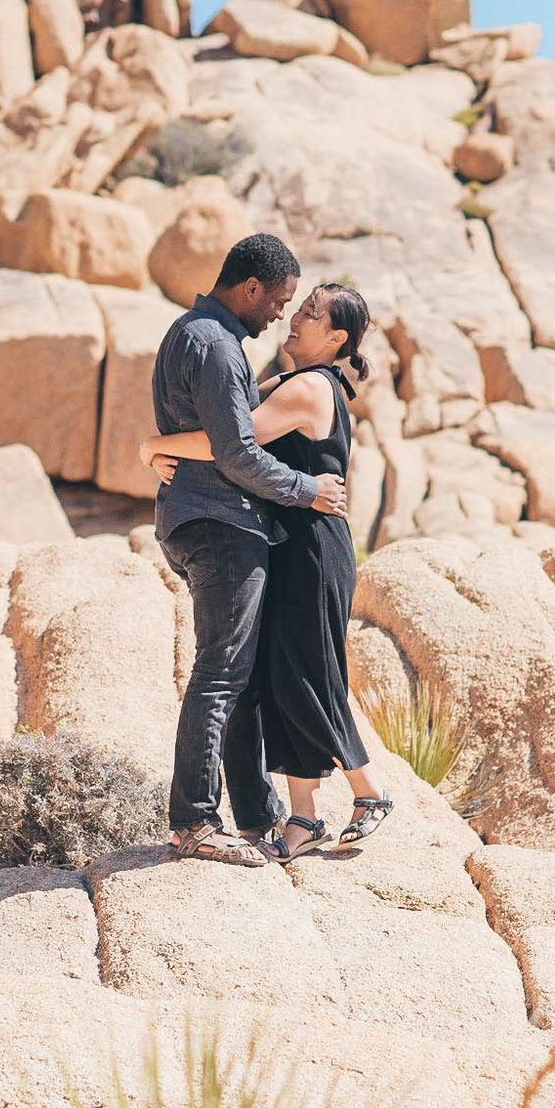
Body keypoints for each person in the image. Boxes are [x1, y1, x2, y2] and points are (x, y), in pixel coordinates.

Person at [143, 282, 391, 859]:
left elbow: (232, 442)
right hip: (286, 538)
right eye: (300, 306)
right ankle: (302, 820)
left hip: (313, 544)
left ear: (336, 339)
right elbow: (225, 432)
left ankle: (368, 788)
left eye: (311, 313)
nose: (295, 316)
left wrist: (152, 443)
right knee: (283, 674)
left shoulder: (309, 387)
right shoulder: (283, 381)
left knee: (309, 672)